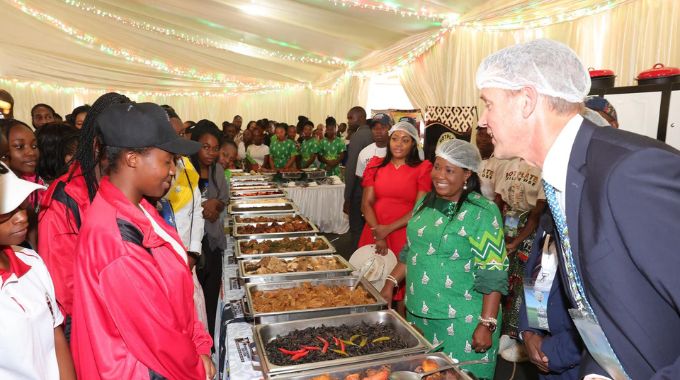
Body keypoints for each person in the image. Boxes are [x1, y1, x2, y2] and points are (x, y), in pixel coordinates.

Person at [476, 38, 680, 380]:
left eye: (489, 104)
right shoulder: (564, 180)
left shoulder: (628, 171)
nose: (483, 121)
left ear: (526, 101)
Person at [70, 103, 214, 379]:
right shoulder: (116, 239)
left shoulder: (142, 209)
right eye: (167, 160)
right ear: (133, 158)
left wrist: (199, 344)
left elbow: (176, 295)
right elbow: (158, 338)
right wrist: (195, 367)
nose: (173, 170)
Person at [381, 139, 508, 380]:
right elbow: (411, 251)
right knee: (424, 374)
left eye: (450, 170)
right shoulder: (425, 203)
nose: (440, 175)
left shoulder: (481, 212)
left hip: (463, 320)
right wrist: (390, 283)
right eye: (437, 167)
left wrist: (487, 323)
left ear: (467, 174)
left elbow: (493, 270)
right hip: (419, 314)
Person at [38, 92, 132, 340]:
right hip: (87, 324)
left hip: (126, 316)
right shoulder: (65, 196)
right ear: (96, 143)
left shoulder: (126, 184)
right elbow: (63, 288)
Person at [0, 161, 76, 380]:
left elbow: (55, 335)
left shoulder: (32, 262)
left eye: (21, 206)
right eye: (6, 212)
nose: (22, 217)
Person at [359, 121, 432, 314]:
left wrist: (388, 229)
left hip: (403, 232)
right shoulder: (375, 166)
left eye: (405, 140)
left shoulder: (422, 168)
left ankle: (400, 326)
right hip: (374, 230)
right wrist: (379, 234)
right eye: (395, 139)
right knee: (371, 278)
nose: (398, 144)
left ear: (413, 144)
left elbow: (419, 208)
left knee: (402, 284)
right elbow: (366, 204)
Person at [519, 211, 583, 380]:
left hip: (583, 365)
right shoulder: (551, 215)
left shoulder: (598, 224)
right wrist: (529, 331)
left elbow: (606, 319)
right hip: (544, 355)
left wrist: (552, 351)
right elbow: (535, 273)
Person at [494, 156, 546, 361]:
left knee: (531, 280)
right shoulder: (506, 164)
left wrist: (518, 241)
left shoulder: (542, 165)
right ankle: (507, 332)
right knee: (509, 278)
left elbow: (538, 210)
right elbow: (500, 201)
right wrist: (503, 235)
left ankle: (527, 337)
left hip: (534, 227)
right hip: (511, 221)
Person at [190, 120, 229, 336]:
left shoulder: (218, 171)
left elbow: (224, 198)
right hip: (191, 243)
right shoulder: (184, 170)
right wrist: (203, 206)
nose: (211, 153)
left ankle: (211, 339)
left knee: (212, 293)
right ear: (195, 145)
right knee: (195, 298)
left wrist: (215, 204)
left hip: (212, 240)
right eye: (206, 147)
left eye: (215, 148)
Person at [344, 106, 373, 250]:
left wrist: (347, 196)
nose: (348, 121)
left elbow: (351, 168)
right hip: (374, 189)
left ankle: (355, 260)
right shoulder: (375, 134)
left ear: (361, 117)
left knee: (356, 228)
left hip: (359, 189)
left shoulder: (357, 136)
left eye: (351, 117)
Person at [475, 125, 505, 203]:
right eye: (480, 134)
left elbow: (499, 197)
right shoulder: (472, 158)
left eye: (488, 136)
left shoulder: (501, 163)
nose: (483, 139)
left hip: (489, 206)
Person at [355, 113, 391, 179]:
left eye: (383, 127)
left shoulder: (397, 151)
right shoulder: (364, 153)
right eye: (375, 128)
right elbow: (361, 178)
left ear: (390, 129)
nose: (378, 131)